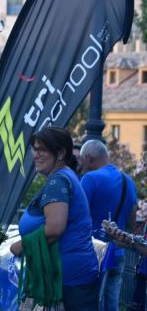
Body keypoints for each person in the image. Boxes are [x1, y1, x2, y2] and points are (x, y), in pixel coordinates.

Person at [10, 126, 99, 310]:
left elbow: (55, 229)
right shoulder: (64, 176)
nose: (36, 155)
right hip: (70, 278)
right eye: (35, 149)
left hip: (68, 282)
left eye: (42, 149)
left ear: (60, 153)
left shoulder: (58, 181)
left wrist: (21, 246)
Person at [80, 139, 137, 311]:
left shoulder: (89, 179)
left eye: (82, 160)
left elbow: (77, 215)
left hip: (93, 253)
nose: (81, 165)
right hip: (118, 252)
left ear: (89, 158)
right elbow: (132, 221)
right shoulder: (127, 181)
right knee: (112, 304)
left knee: (92, 304)